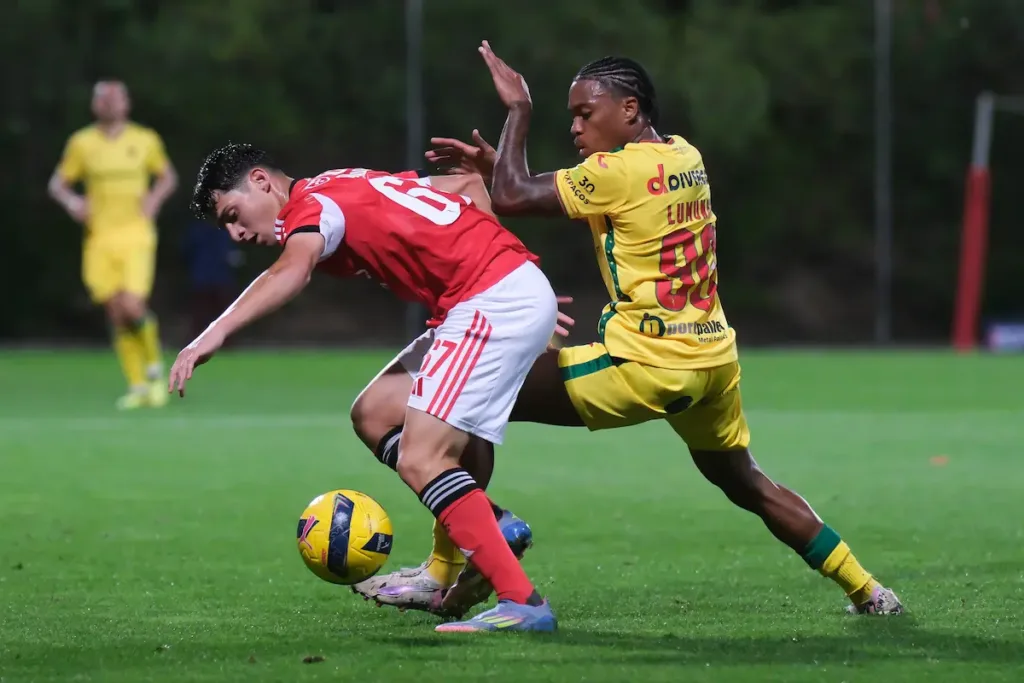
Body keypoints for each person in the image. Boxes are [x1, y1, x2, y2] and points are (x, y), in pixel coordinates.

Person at [353, 43, 903, 618]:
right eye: (572, 116)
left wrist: (519, 111)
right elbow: (560, 194)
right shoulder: (684, 156)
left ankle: (451, 564)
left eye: (585, 113)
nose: (575, 127)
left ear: (630, 109)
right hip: (711, 360)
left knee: (466, 396)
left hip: (643, 364)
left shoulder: (615, 172)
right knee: (746, 481)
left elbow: (514, 197)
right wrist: (501, 171)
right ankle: (867, 589)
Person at [170, 143, 567, 633]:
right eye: (226, 227)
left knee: (421, 458)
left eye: (233, 215)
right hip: (491, 295)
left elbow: (292, 269)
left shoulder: (311, 206)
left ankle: (522, 602)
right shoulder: (343, 181)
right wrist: (511, 267)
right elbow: (466, 186)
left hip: (489, 300)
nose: (237, 233)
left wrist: (213, 333)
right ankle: (488, 526)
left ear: (260, 181)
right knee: (375, 412)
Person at [48, 80, 178, 409]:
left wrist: (154, 200)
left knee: (132, 305)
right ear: (95, 105)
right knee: (115, 312)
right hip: (99, 238)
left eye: (115, 98)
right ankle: (137, 386)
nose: (109, 103)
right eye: (103, 99)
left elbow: (167, 177)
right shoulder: (82, 143)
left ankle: (154, 371)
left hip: (136, 234)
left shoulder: (144, 140)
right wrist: (73, 202)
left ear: (126, 103)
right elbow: (58, 184)